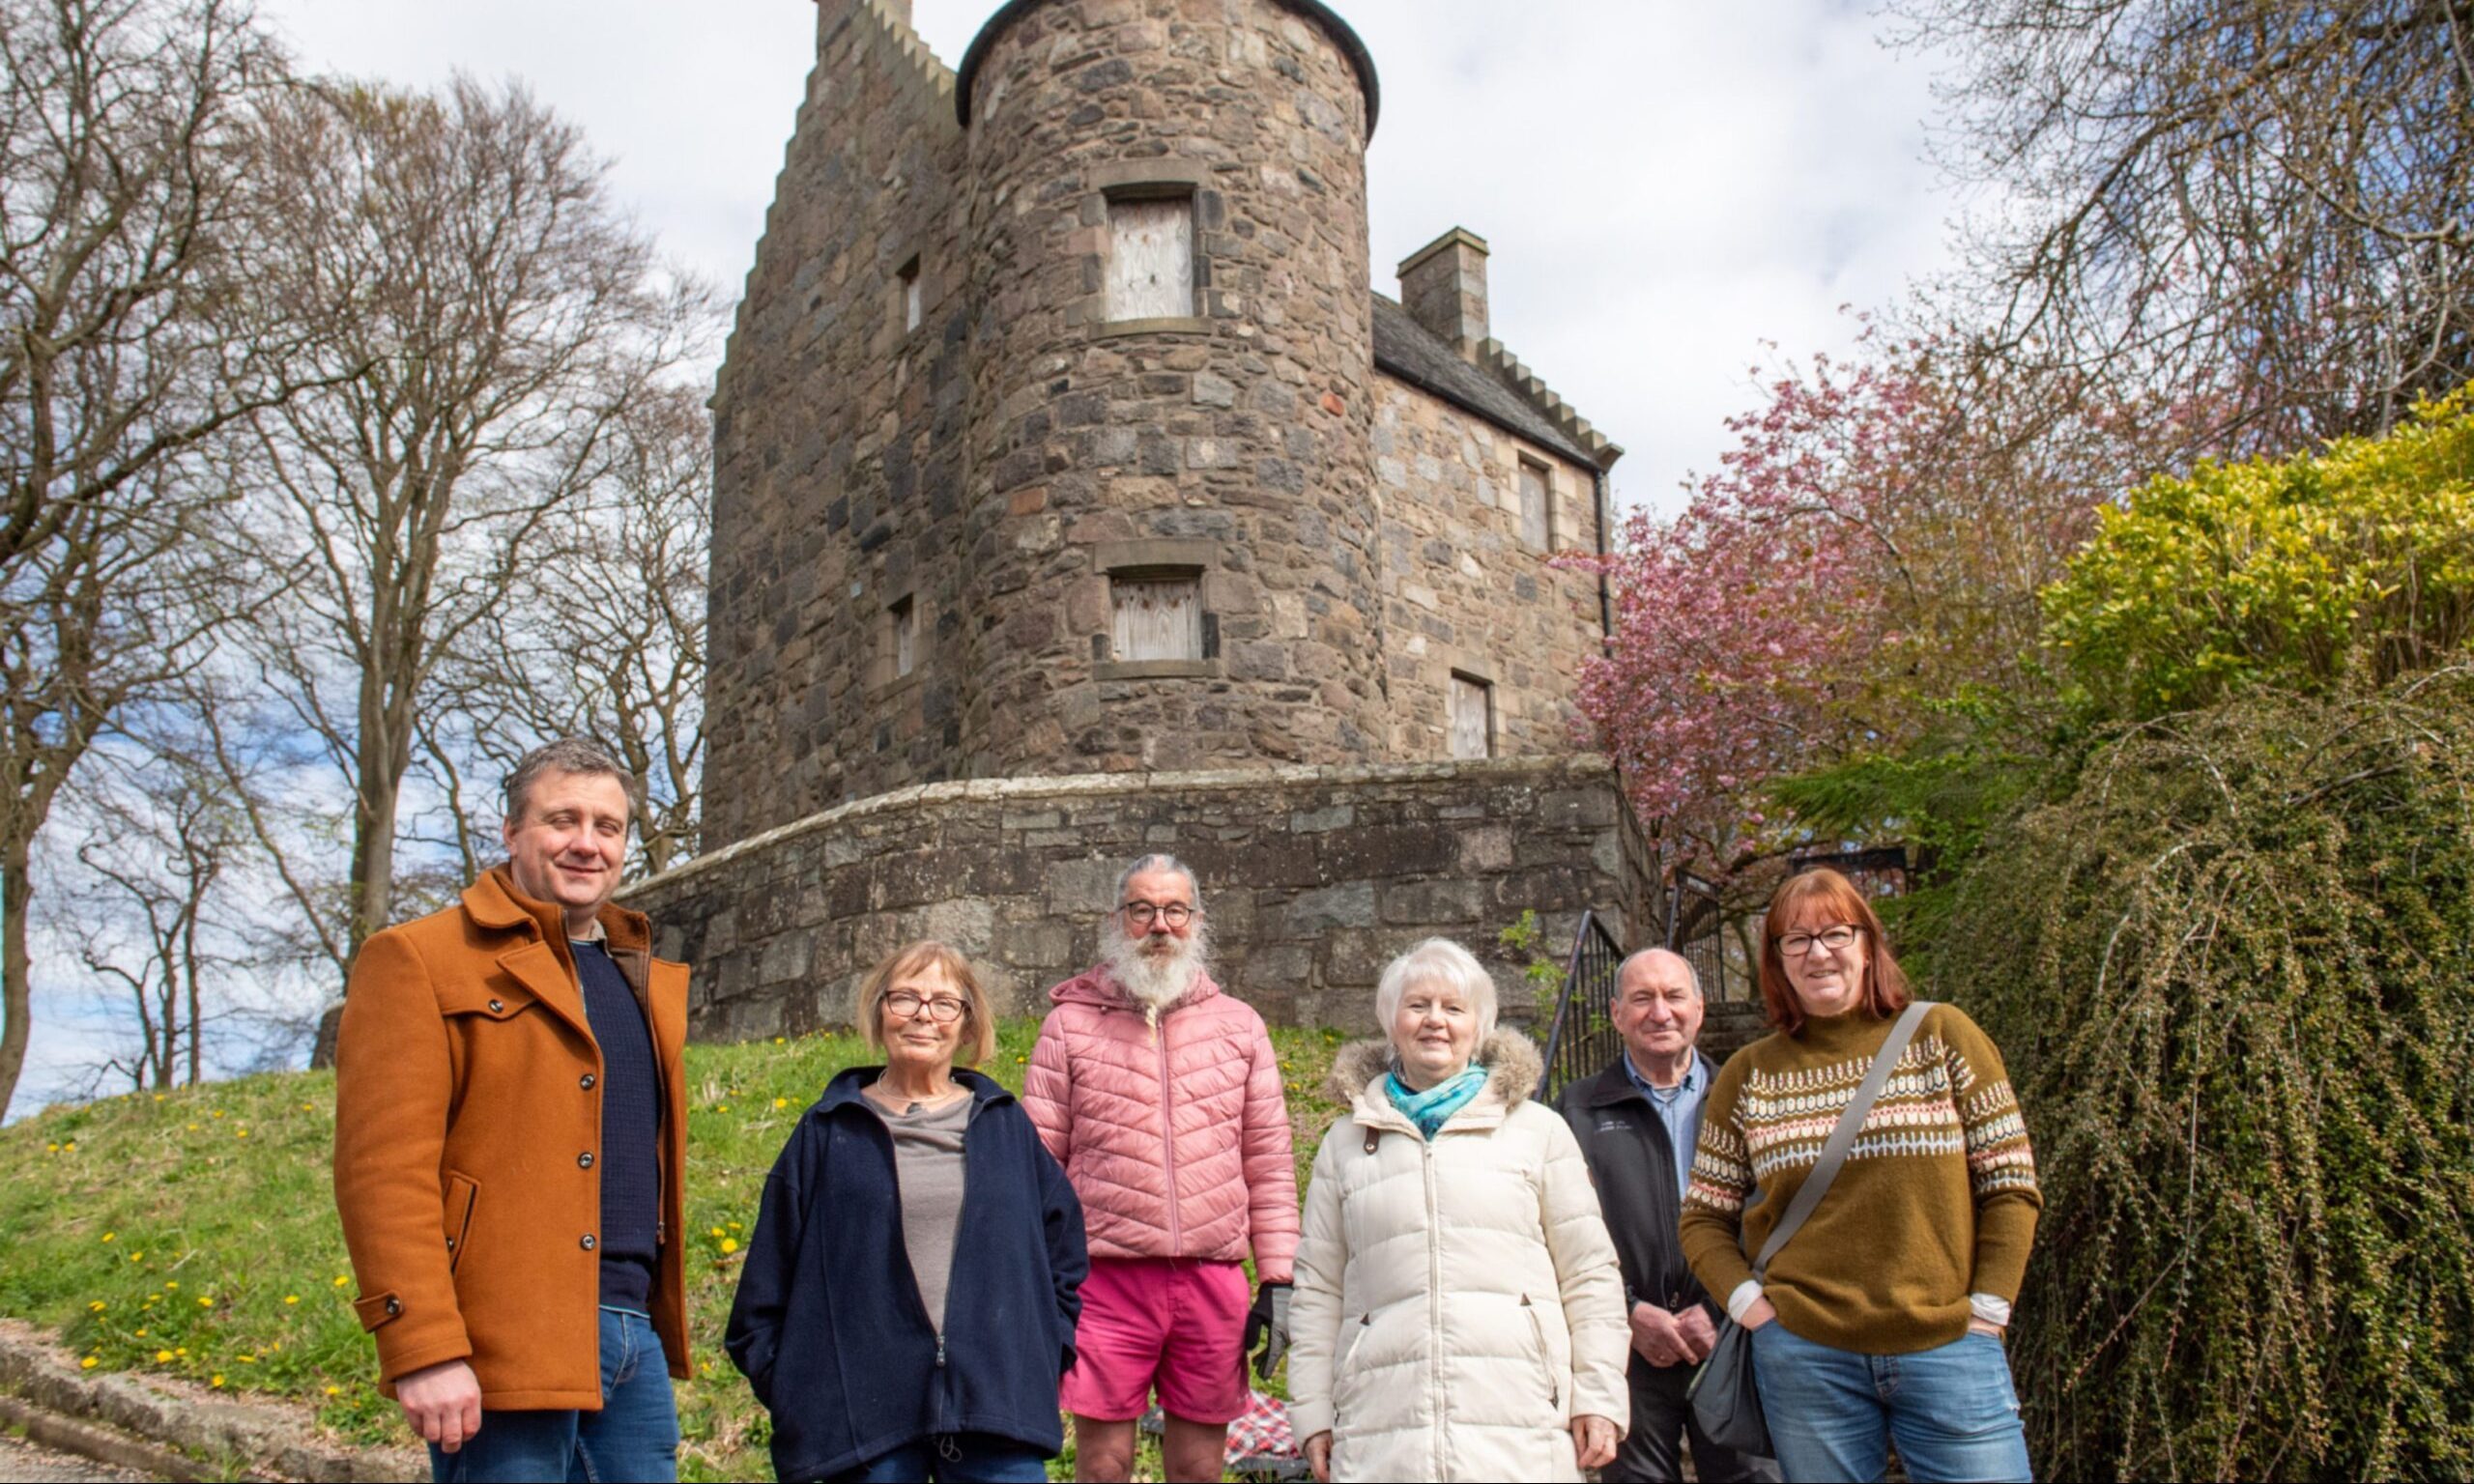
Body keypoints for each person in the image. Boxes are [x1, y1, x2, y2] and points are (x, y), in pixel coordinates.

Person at [333, 739, 691, 1483]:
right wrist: (423, 1346)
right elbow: (382, 1172)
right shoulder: (419, 957)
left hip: (632, 1337)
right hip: (503, 1341)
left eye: (608, 826)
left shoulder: (640, 976)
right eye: (563, 821)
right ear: (512, 832)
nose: (587, 844)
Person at [1679, 868, 2042, 1484]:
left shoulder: (1942, 1035)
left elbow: (2009, 1183)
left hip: (1950, 1342)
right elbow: (1704, 1217)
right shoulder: (1748, 1073)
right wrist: (1750, 1308)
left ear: (1868, 945)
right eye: (1796, 940)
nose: (1818, 953)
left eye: (1835, 934)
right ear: (1778, 961)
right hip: (1806, 1355)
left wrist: (1988, 1308)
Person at [726, 941, 1087, 1483]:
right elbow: (766, 1283)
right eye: (905, 998)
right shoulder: (827, 1130)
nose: (924, 1015)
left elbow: (1064, 1254)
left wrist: (1039, 1353)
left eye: (945, 1003)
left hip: (995, 1411)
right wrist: (800, 1390)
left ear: (967, 1025)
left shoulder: (1006, 1127)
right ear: (879, 1012)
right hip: (859, 1426)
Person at [1289, 938, 1629, 1483]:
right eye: (1418, 1005)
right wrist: (1310, 1413)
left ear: (1480, 1026)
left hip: (1521, 1429)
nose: (1435, 1022)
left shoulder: (1537, 1131)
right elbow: (1317, 1288)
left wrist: (1599, 1395)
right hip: (1381, 1430)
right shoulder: (1345, 1142)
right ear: (1391, 1021)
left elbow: (1589, 1274)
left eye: (1453, 1008)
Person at [1021, 854, 1297, 1484]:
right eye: (1143, 909)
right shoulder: (1069, 1027)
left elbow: (1271, 1163)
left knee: (1199, 1470)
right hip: (1104, 1284)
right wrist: (1033, 1277)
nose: (1159, 925)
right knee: (1103, 1466)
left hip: (1211, 1282)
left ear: (1197, 921)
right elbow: (1036, 1167)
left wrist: (1278, 1277)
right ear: (1119, 921)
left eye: (1174, 910)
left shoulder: (1240, 1027)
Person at [1557, 950, 1778, 1484]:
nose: (1661, 1012)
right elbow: (1557, 1237)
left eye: (1675, 996)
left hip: (1736, 1338)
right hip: (1628, 1350)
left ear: (1699, 1009)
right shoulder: (1577, 1109)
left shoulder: (1750, 1098)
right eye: (1642, 998)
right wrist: (1629, 1313)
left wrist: (1725, 1308)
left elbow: (1786, 1219)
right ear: (1615, 1013)